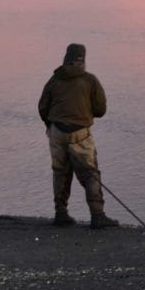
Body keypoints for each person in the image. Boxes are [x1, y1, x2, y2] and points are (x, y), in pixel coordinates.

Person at [38, 43, 119, 229]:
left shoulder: (54, 79)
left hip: (56, 132)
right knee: (90, 175)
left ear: (66, 58)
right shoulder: (90, 80)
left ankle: (60, 214)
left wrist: (49, 124)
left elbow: (42, 106)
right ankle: (97, 216)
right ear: (83, 59)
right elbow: (101, 110)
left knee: (60, 173)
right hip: (80, 134)